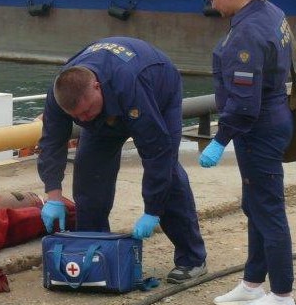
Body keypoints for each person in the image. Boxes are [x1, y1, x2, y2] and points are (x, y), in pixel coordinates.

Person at [37, 37, 208, 284]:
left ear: (96, 86)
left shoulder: (131, 83)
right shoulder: (59, 96)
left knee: (167, 172)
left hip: (157, 95)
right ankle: (94, 254)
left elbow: (155, 153)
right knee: (88, 180)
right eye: (77, 117)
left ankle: (191, 258)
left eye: (86, 111)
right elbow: (51, 143)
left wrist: (152, 210)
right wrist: (52, 195)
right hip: (109, 109)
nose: (83, 118)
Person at [198, 0, 296, 305]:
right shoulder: (269, 11)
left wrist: (219, 139)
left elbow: (243, 102)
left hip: (258, 129)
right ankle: (253, 282)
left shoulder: (246, 32)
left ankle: (283, 295)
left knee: (268, 210)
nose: (211, 4)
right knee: (255, 204)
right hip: (272, 120)